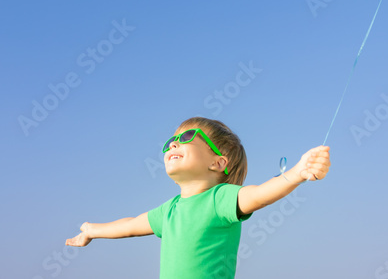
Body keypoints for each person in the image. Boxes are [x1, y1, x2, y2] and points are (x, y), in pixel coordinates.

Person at [64, 116, 331, 278]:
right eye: (172, 140)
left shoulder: (220, 199)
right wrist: (92, 230)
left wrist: (297, 172)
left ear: (217, 162)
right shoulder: (170, 210)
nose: (173, 143)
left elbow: (260, 194)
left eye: (188, 136)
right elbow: (130, 225)